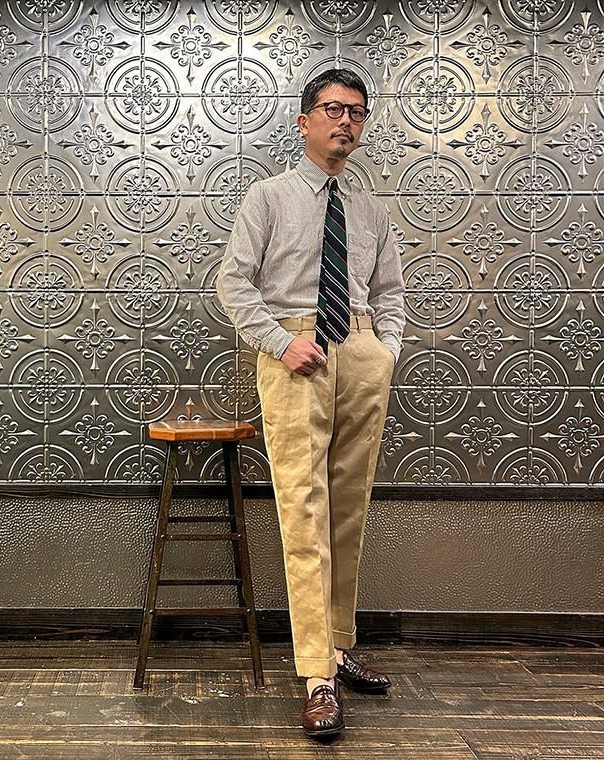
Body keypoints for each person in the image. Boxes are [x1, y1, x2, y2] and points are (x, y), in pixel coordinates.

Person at [216, 68, 405, 739]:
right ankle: (316, 675)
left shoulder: (371, 209)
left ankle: (338, 645)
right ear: (304, 122)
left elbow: (390, 292)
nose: (345, 121)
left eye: (356, 111)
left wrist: (383, 352)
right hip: (295, 353)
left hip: (358, 351)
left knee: (348, 506)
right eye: (332, 109)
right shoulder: (268, 197)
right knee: (303, 507)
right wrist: (279, 342)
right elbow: (234, 283)